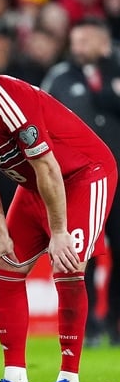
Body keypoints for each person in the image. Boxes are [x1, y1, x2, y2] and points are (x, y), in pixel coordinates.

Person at [0, 36, 117, 382]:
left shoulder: (12, 102)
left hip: (84, 175)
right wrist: (1, 231)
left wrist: (59, 231)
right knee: (5, 265)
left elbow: (48, 166)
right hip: (39, 185)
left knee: (67, 265)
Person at [41, 17, 120, 347]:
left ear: (103, 42)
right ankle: (86, 327)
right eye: (75, 41)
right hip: (79, 184)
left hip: (119, 182)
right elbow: (39, 118)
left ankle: (114, 322)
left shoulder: (114, 71)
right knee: (81, 253)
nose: (78, 48)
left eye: (85, 41)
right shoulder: (59, 78)